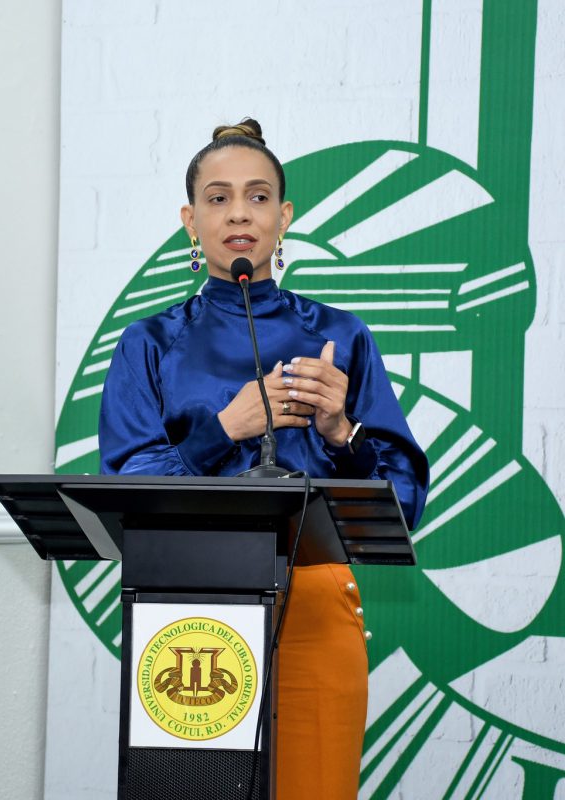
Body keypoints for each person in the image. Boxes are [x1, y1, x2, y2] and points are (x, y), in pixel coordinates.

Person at [99, 118, 429, 799]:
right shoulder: (148, 343)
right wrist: (226, 427)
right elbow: (125, 485)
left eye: (257, 196)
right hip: (188, 618)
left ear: (285, 217)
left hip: (314, 609)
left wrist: (341, 429)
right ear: (191, 222)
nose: (239, 214)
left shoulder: (340, 335)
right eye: (218, 198)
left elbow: (404, 504)